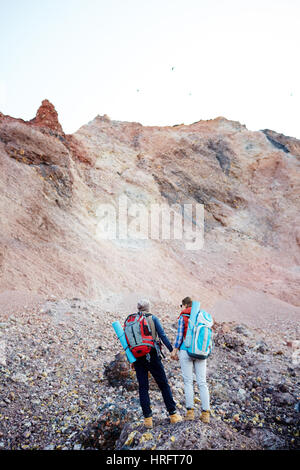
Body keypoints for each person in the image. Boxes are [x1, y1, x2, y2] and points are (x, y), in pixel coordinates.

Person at [130, 299, 182, 428]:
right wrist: (172, 351)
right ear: (148, 308)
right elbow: (163, 336)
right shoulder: (153, 318)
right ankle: (173, 415)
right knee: (163, 385)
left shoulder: (131, 321)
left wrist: (131, 360)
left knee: (143, 388)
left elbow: (127, 342)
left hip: (137, 357)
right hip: (152, 355)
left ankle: (148, 420)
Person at [170, 296, 211, 423]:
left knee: (188, 382)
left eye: (181, 306)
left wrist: (174, 350)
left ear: (185, 305)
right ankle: (205, 414)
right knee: (202, 382)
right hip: (200, 351)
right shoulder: (202, 316)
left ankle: (190, 413)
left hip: (185, 350)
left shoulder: (183, 316)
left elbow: (179, 335)